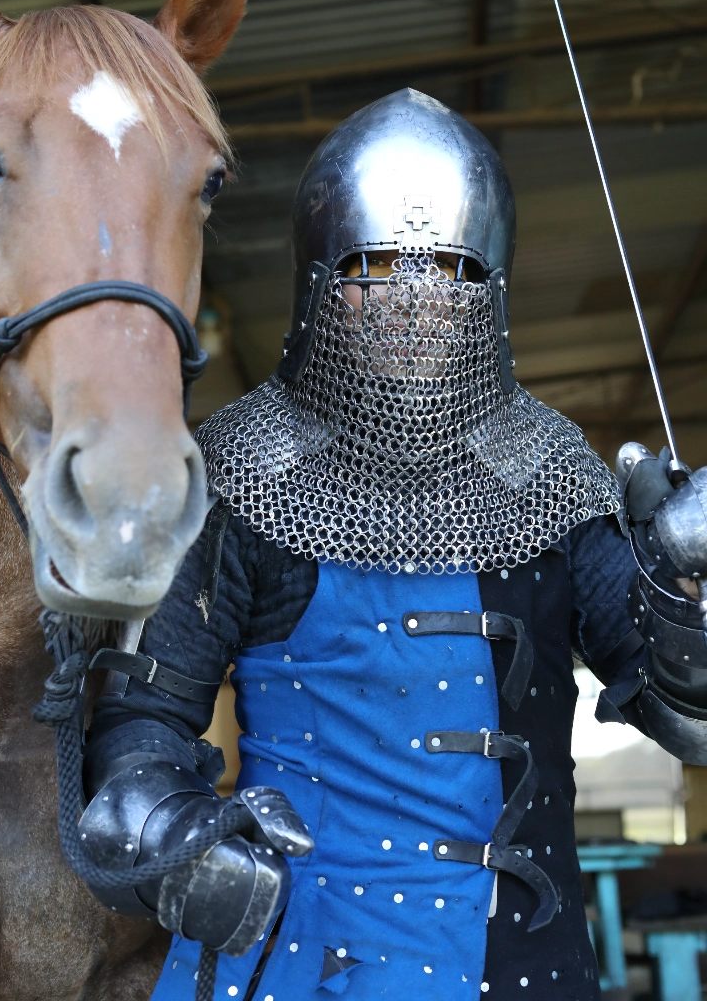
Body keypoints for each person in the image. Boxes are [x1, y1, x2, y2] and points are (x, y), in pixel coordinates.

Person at [78, 89, 707, 1000]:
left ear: (488, 288)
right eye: (378, 269)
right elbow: (139, 726)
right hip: (314, 965)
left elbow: (684, 715)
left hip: (530, 969)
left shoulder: (549, 473)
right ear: (322, 282)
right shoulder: (244, 473)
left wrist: (681, 586)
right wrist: (180, 838)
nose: (415, 301)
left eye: (447, 270)